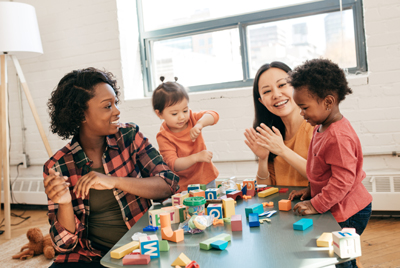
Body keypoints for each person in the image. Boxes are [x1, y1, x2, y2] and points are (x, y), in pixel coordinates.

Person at [43, 68, 179, 267]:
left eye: (115, 103)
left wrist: (114, 181)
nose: (117, 111)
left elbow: (169, 184)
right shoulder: (57, 166)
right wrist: (64, 203)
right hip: (91, 255)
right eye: (107, 106)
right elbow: (64, 245)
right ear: (81, 115)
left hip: (142, 246)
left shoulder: (129, 137)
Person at [289, 59, 372, 268]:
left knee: (341, 257)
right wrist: (311, 190)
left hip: (350, 211)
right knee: (335, 255)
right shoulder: (321, 126)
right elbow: (322, 169)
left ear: (327, 102)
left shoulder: (338, 136)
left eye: (304, 107)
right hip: (339, 205)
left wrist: (315, 204)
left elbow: (342, 181)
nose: (301, 113)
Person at [244, 62, 314, 186]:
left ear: (297, 86)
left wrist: (282, 150)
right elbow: (266, 188)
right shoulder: (272, 135)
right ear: (261, 101)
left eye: (282, 85)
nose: (276, 95)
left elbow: (323, 177)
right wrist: (263, 159)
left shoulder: (317, 128)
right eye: (267, 91)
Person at [152, 77, 219, 191]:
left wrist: (199, 124)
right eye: (174, 113)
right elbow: (174, 164)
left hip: (206, 178)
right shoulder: (163, 136)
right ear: (159, 114)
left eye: (185, 110)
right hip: (184, 186)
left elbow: (214, 115)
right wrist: (196, 157)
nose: (182, 117)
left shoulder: (192, 119)